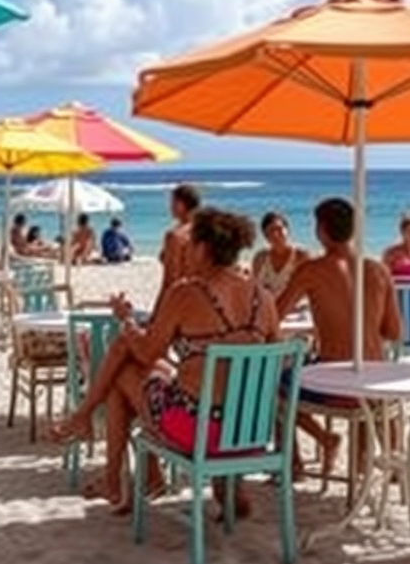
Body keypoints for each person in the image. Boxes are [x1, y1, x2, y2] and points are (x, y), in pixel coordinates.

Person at [53, 208, 276, 516]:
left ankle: (109, 464)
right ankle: (199, 481)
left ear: (203, 248)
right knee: (152, 371)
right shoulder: (263, 298)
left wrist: (126, 320)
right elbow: (272, 363)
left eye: (190, 245)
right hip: (249, 431)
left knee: (124, 372)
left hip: (198, 431)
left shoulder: (186, 293)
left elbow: (145, 351)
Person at [276, 198, 401, 474]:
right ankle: (367, 464)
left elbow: (275, 315)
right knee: (363, 378)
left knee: (275, 386)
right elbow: (394, 331)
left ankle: (305, 455)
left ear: (321, 230)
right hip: (377, 380)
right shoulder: (380, 270)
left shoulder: (311, 270)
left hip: (337, 387)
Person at [155, 183, 202, 308]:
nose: (170, 207)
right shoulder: (206, 232)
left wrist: (158, 312)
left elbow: (171, 280)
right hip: (203, 299)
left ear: (181, 204)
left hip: (181, 301)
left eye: (173, 202)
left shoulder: (175, 236)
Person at [251, 211, 310, 298]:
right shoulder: (260, 258)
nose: (275, 234)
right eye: (271, 230)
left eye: (279, 229)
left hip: (297, 309)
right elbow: (254, 289)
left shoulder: (301, 256)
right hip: (268, 308)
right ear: (265, 235)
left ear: (287, 230)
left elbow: (309, 288)